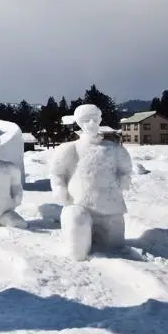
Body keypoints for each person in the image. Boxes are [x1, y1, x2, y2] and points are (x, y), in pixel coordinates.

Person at [49, 104, 132, 260]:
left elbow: (126, 168)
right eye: (87, 120)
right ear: (79, 123)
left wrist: (124, 179)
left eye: (95, 119)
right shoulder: (70, 148)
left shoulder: (113, 149)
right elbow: (56, 172)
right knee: (77, 251)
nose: (92, 124)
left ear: (100, 120)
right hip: (80, 205)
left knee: (116, 249)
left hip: (110, 207)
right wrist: (59, 188)